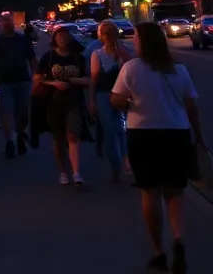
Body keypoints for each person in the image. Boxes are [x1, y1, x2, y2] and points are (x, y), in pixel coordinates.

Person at [112, 22, 205, 273]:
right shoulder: (179, 70)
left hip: (143, 134)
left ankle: (158, 251)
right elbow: (191, 107)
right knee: (175, 191)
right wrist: (200, 136)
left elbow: (116, 100)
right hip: (177, 134)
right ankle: (178, 238)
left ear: (143, 41)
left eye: (137, 38)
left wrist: (127, 100)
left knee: (150, 191)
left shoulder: (131, 68)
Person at [34, 26, 90, 185]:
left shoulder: (78, 58)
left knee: (73, 135)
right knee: (58, 138)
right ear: (54, 40)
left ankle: (76, 172)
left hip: (74, 100)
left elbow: (88, 80)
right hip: (53, 101)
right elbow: (38, 78)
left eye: (65, 37)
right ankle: (63, 172)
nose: (63, 40)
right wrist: (54, 83)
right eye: (59, 37)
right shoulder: (49, 57)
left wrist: (71, 81)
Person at [0, 13, 37, 158]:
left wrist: (37, 77)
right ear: (0, 24)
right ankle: (10, 142)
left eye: (8, 21)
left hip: (23, 81)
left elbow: (32, 59)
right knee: (6, 112)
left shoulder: (22, 40)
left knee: (22, 112)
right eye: (3, 21)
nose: (6, 24)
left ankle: (20, 134)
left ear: (13, 23)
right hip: (3, 82)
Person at [89, 20, 133, 182]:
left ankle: (127, 163)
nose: (108, 36)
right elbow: (94, 78)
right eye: (104, 33)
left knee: (122, 130)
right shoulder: (97, 54)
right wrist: (92, 100)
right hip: (104, 94)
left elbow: (132, 65)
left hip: (122, 94)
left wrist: (118, 50)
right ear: (100, 36)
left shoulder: (123, 52)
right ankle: (116, 166)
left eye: (111, 32)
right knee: (110, 129)